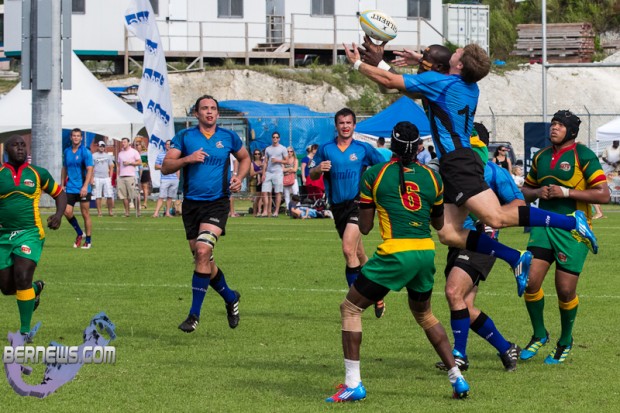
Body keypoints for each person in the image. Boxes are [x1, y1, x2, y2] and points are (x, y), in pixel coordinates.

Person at [343, 41, 599, 298]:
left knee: (495, 218)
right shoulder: (468, 86)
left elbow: (391, 82)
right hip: (456, 162)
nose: (455, 50)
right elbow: (420, 81)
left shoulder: (442, 84)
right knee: (448, 233)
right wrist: (419, 60)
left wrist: (357, 63)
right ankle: (515, 257)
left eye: (458, 52)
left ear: (460, 65)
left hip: (459, 163)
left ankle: (571, 222)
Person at [325, 122, 469, 403]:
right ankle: (457, 377)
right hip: (425, 252)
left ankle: (353, 384)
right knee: (425, 315)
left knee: (350, 308)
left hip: (396, 252)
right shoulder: (433, 177)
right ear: (418, 147)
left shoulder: (374, 174)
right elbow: (438, 223)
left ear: (391, 144)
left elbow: (365, 227)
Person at [520, 110, 609, 364]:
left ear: (571, 131)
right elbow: (525, 191)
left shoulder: (584, 155)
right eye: (553, 124)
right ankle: (539, 334)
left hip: (573, 230)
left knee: (565, 289)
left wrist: (566, 193)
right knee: (530, 281)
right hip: (542, 227)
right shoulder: (541, 156)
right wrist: (538, 192)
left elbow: (603, 194)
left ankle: (565, 340)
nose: (554, 128)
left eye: (560, 125)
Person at [434, 123, 524, 373]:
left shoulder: (494, 172)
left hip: (482, 243)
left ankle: (459, 356)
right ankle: (506, 348)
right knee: (464, 305)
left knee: (453, 292)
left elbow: (518, 203)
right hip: (458, 241)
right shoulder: (453, 168)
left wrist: (491, 217)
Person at [162, 94, 250, 333]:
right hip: (191, 206)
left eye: (213, 108)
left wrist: (239, 177)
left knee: (203, 251)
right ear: (196, 113)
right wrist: (188, 159)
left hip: (217, 204)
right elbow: (166, 166)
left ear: (218, 114)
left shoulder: (229, 137)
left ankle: (194, 315)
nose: (209, 112)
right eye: (204, 108)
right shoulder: (185, 137)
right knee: (204, 260)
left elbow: (244, 158)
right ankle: (230, 297)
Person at [309, 108, 386, 318]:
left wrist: (372, 189)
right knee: (359, 254)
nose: (345, 126)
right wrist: (318, 169)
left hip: (358, 203)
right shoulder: (326, 149)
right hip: (337, 206)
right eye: (341, 123)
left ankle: (354, 304)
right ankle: (377, 293)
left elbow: (383, 168)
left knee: (347, 249)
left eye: (348, 123)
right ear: (336, 126)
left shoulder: (363, 148)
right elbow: (311, 173)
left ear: (354, 125)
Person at [0, 135, 67, 339]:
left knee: (22, 276)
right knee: (6, 287)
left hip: (30, 233)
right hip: (3, 236)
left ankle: (24, 331)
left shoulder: (38, 173)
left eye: (23, 145)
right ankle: (35, 289)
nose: (20, 148)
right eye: (15, 145)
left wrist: (58, 215)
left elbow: (59, 193)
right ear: (6, 150)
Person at [61, 128, 94, 249]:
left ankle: (88, 240)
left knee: (85, 214)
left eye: (78, 136)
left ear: (81, 138)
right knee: (66, 211)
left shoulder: (85, 152)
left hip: (83, 188)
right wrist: (62, 184)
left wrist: (85, 186)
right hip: (70, 187)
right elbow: (64, 168)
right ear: (71, 137)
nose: (76, 138)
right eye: (74, 135)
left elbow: (90, 169)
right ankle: (80, 233)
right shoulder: (67, 151)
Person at [260, 132, 288, 218]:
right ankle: (265, 211)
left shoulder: (283, 148)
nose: (275, 138)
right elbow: (265, 162)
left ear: (279, 138)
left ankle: (276, 211)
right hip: (268, 172)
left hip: (278, 172)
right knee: (264, 191)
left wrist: (277, 160)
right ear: (272, 138)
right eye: (273, 137)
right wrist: (263, 173)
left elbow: (287, 161)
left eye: (276, 137)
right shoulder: (268, 149)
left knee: (278, 192)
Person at [152, 140, 179, 218]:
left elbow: (178, 167)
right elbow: (156, 166)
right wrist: (164, 167)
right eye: (167, 144)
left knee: (170, 197)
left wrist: (178, 178)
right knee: (161, 196)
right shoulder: (161, 155)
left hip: (174, 179)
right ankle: (156, 213)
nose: (168, 146)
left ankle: (167, 213)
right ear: (165, 146)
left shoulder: (176, 155)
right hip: (165, 178)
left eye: (170, 144)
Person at [117, 137, 141, 217]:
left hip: (131, 176)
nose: (123, 143)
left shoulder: (134, 152)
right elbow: (118, 165)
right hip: (121, 176)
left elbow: (139, 162)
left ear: (128, 143)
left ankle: (138, 211)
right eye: (122, 142)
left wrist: (130, 163)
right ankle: (127, 212)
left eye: (124, 142)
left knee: (134, 195)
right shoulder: (120, 153)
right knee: (123, 196)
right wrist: (117, 176)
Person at [92, 140, 115, 217]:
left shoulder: (108, 156)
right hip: (97, 177)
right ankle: (99, 212)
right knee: (98, 195)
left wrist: (110, 177)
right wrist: (92, 178)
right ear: (98, 147)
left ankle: (110, 211)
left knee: (109, 195)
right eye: (100, 146)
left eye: (103, 146)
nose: (102, 148)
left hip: (106, 177)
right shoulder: (93, 156)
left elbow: (111, 166)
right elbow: (91, 167)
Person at [282, 146, 299, 211]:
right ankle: (288, 208)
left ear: (293, 152)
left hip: (293, 178)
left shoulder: (295, 160)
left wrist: (286, 170)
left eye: (291, 151)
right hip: (285, 179)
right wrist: (290, 168)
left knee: (295, 193)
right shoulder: (284, 160)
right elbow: (282, 169)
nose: (289, 153)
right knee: (286, 194)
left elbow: (295, 170)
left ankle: (297, 207)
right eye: (288, 151)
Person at [136, 139, 152, 209]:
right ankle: (137, 203)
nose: (137, 146)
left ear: (141, 145)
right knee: (137, 187)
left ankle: (145, 203)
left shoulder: (146, 153)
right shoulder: (135, 153)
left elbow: (149, 162)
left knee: (145, 186)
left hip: (145, 170)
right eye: (136, 145)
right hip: (136, 171)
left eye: (138, 145)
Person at [250, 149, 264, 217]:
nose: (257, 155)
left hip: (263, 180)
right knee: (257, 197)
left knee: (262, 196)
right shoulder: (252, 163)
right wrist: (259, 172)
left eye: (258, 154)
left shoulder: (263, 161)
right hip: (256, 181)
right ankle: (255, 211)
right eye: (255, 154)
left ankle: (260, 211)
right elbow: (251, 173)